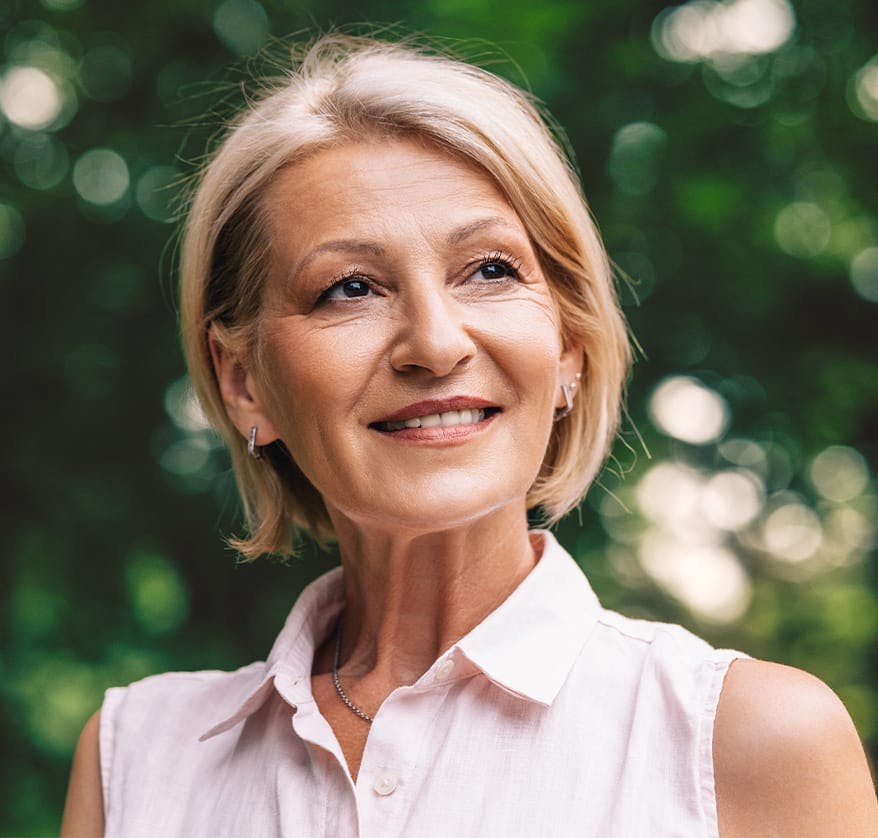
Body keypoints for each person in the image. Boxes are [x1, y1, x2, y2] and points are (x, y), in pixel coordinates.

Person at [61, 34, 878, 837]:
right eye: (351, 288)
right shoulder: (134, 759)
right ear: (243, 380)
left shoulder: (746, 744)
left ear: (567, 344)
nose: (436, 343)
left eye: (490, 269)